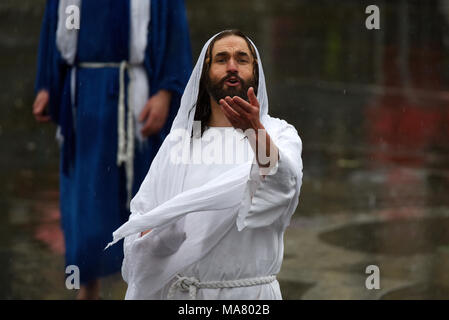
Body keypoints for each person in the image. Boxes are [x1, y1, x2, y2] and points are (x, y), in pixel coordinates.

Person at [106, 29, 303, 300]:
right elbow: (144, 216)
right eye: (221, 59)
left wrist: (254, 132)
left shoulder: (279, 134)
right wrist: (155, 235)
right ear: (205, 70)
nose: (232, 66)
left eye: (241, 59)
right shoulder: (180, 143)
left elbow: (282, 189)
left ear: (255, 70)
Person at [32, 0, 192, 299]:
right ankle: (87, 288)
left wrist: (166, 91)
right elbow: (58, 23)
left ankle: (147, 288)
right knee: (86, 201)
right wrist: (48, 84)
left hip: (136, 95)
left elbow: (173, 31)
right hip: (84, 99)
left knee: (144, 197)